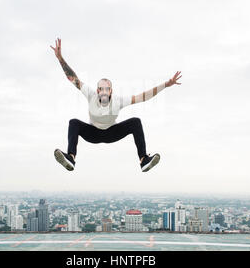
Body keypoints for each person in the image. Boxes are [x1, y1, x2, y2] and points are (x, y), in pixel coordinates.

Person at [50, 38, 182, 172]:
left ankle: (143, 160)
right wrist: (60, 58)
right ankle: (71, 158)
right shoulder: (91, 95)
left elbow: (143, 97)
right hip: (92, 133)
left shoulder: (118, 101)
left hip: (111, 133)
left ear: (111, 91)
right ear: (97, 91)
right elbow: (73, 79)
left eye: (107, 89)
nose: (104, 91)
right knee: (74, 123)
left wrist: (165, 84)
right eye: (101, 88)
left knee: (135, 122)